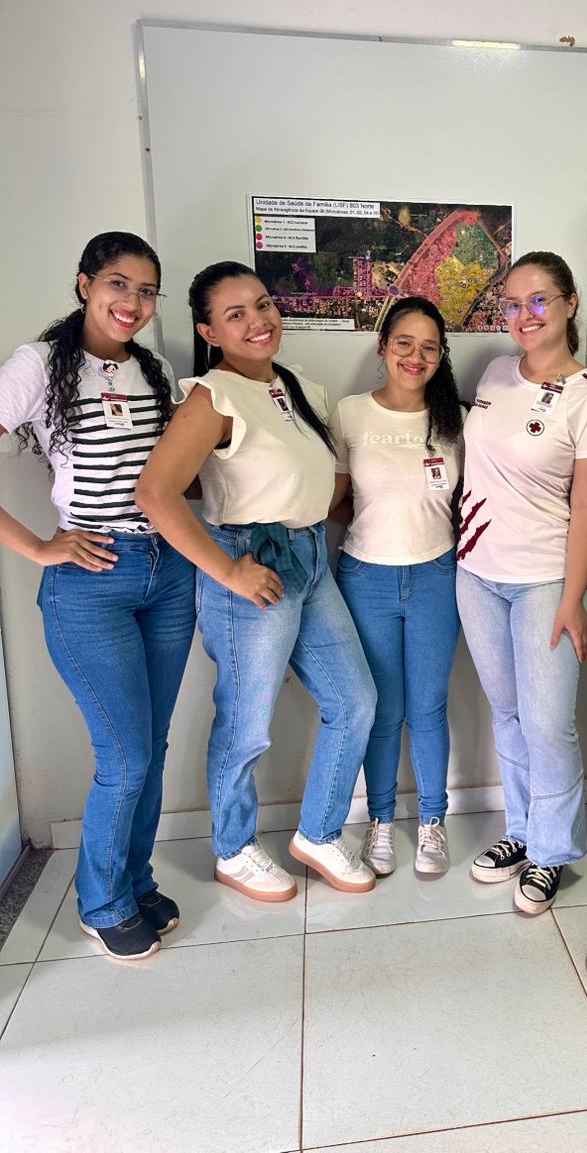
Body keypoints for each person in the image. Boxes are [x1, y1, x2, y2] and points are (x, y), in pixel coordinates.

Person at [136, 262, 377, 902]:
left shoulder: (299, 387)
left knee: (355, 701)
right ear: (208, 331)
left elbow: (319, 478)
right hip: (251, 561)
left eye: (263, 305)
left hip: (310, 557)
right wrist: (228, 571)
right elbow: (156, 493)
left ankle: (319, 833)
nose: (257, 321)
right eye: (235, 314)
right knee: (247, 723)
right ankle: (233, 848)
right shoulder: (211, 396)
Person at [0, 231, 195, 960]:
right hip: (91, 582)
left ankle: (135, 882)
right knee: (126, 756)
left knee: (151, 746)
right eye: (118, 284)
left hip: (167, 574)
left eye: (146, 291)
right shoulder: (39, 364)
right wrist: (39, 547)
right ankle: (102, 902)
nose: (132, 303)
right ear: (85, 283)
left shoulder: (155, 370)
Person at [456, 251, 587, 914]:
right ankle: (522, 830)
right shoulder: (496, 373)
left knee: (549, 726)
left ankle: (552, 853)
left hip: (545, 581)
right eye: (512, 303)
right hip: (476, 573)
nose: (523, 315)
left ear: (570, 304)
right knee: (508, 714)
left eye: (539, 300)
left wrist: (574, 598)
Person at [329, 297, 464, 878]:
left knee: (429, 708)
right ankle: (380, 820)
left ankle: (432, 820)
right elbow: (334, 500)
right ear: (382, 346)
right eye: (404, 343)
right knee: (382, 710)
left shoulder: (456, 420)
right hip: (366, 577)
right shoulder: (350, 413)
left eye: (429, 347)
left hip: (437, 575)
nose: (416, 356)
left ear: (441, 356)